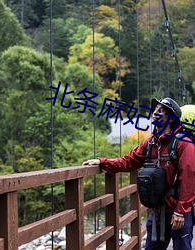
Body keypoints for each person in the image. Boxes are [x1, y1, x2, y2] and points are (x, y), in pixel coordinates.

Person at [82, 97, 195, 250]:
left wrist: (181, 212)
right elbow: (129, 161)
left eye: (161, 110)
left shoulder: (183, 144)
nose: (155, 113)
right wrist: (102, 162)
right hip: (157, 211)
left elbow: (189, 179)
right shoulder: (150, 143)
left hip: (178, 211)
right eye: (155, 110)